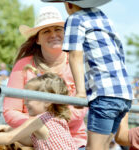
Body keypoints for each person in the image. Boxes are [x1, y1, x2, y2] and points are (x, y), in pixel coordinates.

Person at [41, 0, 133, 150]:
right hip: (124, 93)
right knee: (103, 146)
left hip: (105, 94)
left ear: (69, 5)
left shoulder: (75, 19)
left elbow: (75, 55)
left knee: (94, 148)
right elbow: (120, 51)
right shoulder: (103, 18)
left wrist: (81, 92)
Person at [3, 6, 87, 149]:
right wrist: (37, 126)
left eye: (58, 29)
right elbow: (10, 110)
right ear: (37, 39)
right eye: (46, 31)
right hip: (31, 140)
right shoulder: (23, 65)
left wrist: (46, 123)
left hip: (73, 141)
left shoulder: (77, 63)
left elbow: (81, 109)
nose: (53, 34)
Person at [0, 73, 77, 150]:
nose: (25, 102)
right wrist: (5, 128)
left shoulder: (38, 121)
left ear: (47, 101)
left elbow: (9, 138)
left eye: (29, 98)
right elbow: (27, 140)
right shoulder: (57, 119)